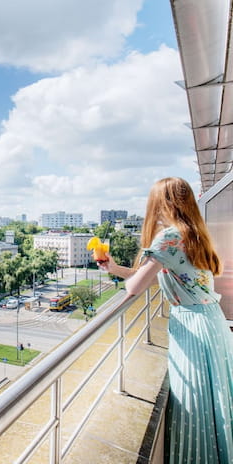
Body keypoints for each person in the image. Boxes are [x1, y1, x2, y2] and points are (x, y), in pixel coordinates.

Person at [99, 177, 232, 463]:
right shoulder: (193, 232)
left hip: (192, 325)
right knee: (215, 396)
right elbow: (158, 271)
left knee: (194, 402)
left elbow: (136, 287)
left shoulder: (168, 237)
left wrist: (127, 283)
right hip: (211, 321)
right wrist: (114, 268)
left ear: (163, 203)